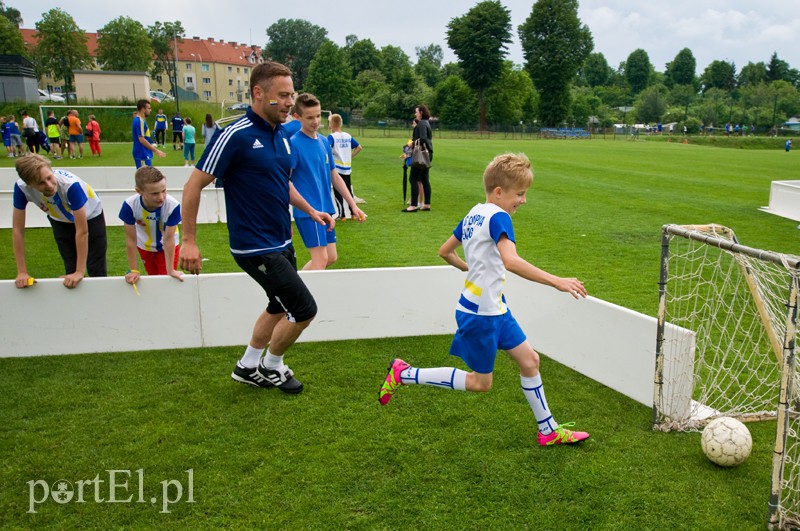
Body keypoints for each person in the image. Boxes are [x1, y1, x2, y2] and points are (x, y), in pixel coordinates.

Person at [379, 152, 591, 447]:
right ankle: (405, 374)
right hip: (481, 315)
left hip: (495, 309)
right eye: (520, 194)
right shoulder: (499, 216)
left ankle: (548, 430)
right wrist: (558, 281)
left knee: (530, 361)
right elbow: (511, 261)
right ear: (500, 192)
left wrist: (472, 269)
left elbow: (445, 251)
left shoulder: (474, 213)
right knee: (481, 383)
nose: (523, 200)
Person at [179, 61, 336, 394]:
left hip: (280, 239)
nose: (289, 103)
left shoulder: (282, 134)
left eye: (291, 95)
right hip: (253, 246)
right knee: (304, 309)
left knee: (278, 305)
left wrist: (311, 210)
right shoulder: (234, 135)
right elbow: (193, 186)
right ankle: (271, 365)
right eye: (282, 96)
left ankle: (247, 366)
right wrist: (188, 241)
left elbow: (282, 182)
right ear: (258, 93)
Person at [290, 93, 366, 270]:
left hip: (326, 209)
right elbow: (285, 181)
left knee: (331, 257)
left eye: (317, 116)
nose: (315, 121)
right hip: (308, 212)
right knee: (320, 260)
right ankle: (303, 297)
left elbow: (335, 176)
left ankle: (294, 289)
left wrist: (352, 205)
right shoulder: (294, 144)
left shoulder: (324, 142)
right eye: (309, 117)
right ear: (298, 117)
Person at [12, 153, 107, 289]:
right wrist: (22, 272)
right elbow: (17, 230)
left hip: (91, 215)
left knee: (96, 266)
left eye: (49, 177)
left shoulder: (70, 185)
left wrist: (80, 271)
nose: (49, 185)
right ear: (29, 184)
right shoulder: (21, 188)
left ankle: (101, 302)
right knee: (70, 266)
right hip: (59, 218)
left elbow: (82, 231)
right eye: (41, 183)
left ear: (51, 170)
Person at [119, 166, 183, 284]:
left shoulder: (173, 206)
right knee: (153, 279)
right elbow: (131, 239)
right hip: (144, 247)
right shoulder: (130, 205)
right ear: (139, 191)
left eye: (163, 191)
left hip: (168, 247)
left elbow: (168, 239)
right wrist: (134, 270)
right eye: (154, 193)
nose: (161, 197)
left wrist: (171, 270)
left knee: (164, 281)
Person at [328, 113, 363, 220]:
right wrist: (349, 156)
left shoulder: (332, 137)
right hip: (347, 168)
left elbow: (327, 148)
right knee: (348, 190)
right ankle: (353, 213)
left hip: (336, 168)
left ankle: (342, 214)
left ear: (331, 125)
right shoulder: (348, 136)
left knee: (338, 190)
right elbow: (359, 147)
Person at [401, 104, 433, 212]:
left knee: (413, 178)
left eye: (416, 112)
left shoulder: (422, 124)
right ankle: (427, 204)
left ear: (421, 113)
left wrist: (412, 144)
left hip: (421, 155)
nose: (415, 114)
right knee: (424, 179)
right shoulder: (426, 123)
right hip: (427, 154)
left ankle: (413, 205)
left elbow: (422, 139)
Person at [132, 99, 166, 168]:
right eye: (149, 108)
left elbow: (144, 137)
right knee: (145, 177)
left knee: (147, 177)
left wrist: (151, 143)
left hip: (143, 152)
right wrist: (156, 151)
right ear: (143, 109)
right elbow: (141, 139)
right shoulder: (139, 121)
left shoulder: (138, 120)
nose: (150, 110)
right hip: (142, 154)